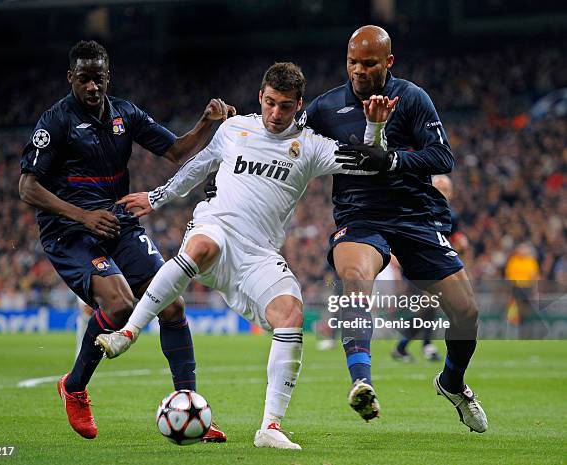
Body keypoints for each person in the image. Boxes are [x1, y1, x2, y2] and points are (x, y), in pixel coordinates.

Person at [95, 62, 393, 449]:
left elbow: (371, 164)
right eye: (269, 103)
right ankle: (127, 333)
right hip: (215, 229)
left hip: (258, 255)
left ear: (298, 104)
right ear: (260, 97)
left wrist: (376, 127)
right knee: (203, 246)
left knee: (291, 314)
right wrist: (156, 197)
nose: (275, 114)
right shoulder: (235, 129)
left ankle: (269, 427)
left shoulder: (311, 146)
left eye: (285, 106)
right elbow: (197, 166)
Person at [19, 40, 235, 441]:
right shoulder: (55, 121)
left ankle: (187, 405)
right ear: (71, 78)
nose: (92, 87)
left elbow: (175, 151)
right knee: (119, 306)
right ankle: (75, 387)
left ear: (107, 77)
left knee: (172, 305)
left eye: (98, 79)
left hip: (117, 223)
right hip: (69, 232)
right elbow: (27, 187)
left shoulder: (125, 113)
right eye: (83, 79)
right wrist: (83, 215)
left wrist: (207, 123)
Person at [304, 25, 488, 432]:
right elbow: (287, 143)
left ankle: (452, 383)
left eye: (368, 63)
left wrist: (392, 161)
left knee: (466, 312)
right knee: (354, 278)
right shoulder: (325, 107)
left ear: (388, 62)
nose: (358, 71)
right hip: (360, 216)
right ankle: (361, 382)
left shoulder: (412, 98)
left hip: (415, 217)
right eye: (352, 62)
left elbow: (443, 157)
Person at [391, 175, 467, 362]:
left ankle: (407, 346)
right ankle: (422, 346)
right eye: (437, 188)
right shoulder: (417, 209)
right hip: (415, 266)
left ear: (451, 193)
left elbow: (452, 240)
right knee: (430, 304)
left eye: (445, 189)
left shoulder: (452, 216)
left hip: (437, 267)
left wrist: (461, 244)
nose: (441, 192)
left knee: (430, 307)